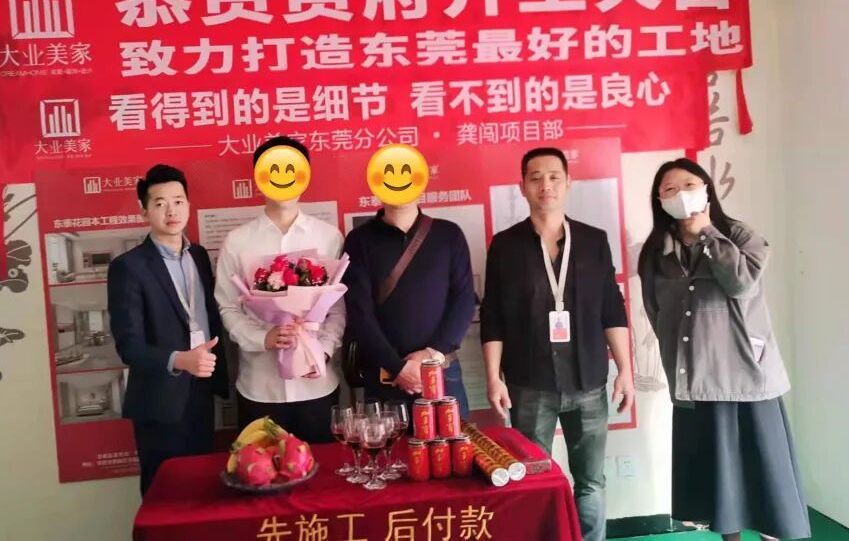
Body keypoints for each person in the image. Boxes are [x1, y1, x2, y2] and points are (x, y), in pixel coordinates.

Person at [638, 158, 809, 541]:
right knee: (718, 482)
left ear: (706, 189)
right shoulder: (657, 252)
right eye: (669, 189)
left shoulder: (739, 235)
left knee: (765, 475)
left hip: (746, 376)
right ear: (659, 200)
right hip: (696, 378)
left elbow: (741, 284)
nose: (680, 194)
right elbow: (655, 310)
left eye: (689, 185)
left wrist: (707, 234)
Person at [480, 147, 633, 541]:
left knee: (591, 482)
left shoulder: (594, 241)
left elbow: (612, 310)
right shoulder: (505, 246)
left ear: (568, 183)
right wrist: (494, 378)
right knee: (534, 480)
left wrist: (625, 371)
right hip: (530, 383)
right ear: (522, 186)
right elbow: (493, 317)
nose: (545, 185)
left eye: (553, 177)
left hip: (588, 381)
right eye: (535, 178)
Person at [215, 136, 345, 444]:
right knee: (260, 470)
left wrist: (322, 352)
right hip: (260, 388)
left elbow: (338, 309)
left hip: (317, 386)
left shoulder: (329, 237)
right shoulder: (237, 241)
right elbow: (228, 307)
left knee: (323, 471)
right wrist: (262, 338)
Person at [108, 164, 228, 496]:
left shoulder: (199, 256)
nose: (171, 211)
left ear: (189, 205)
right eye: (160, 203)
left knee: (202, 486)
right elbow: (128, 345)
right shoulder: (128, 267)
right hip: (159, 399)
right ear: (144, 211)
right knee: (165, 491)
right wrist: (179, 360)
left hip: (201, 390)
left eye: (178, 201)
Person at [342, 195, 475, 419]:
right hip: (384, 374)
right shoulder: (359, 240)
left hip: (441, 370)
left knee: (451, 440)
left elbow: (464, 300)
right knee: (389, 443)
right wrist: (397, 367)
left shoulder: (448, 234)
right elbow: (358, 312)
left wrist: (431, 354)